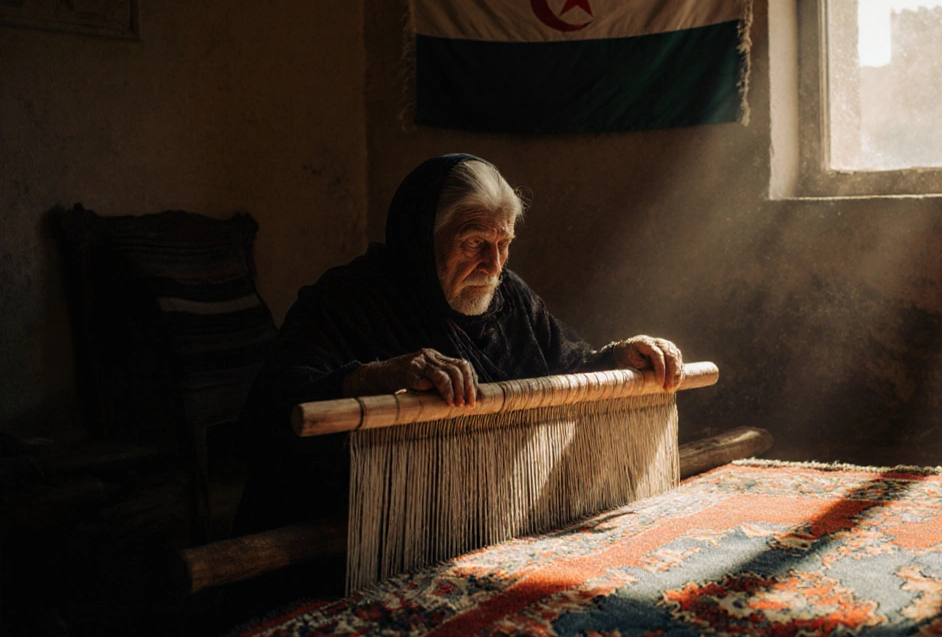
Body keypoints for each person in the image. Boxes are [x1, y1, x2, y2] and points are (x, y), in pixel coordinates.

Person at [234, 154, 683, 536]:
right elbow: (273, 407)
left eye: (504, 244)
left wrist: (622, 355)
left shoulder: (511, 300)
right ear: (420, 241)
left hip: (489, 522)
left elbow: (569, 365)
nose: (494, 265)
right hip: (361, 532)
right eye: (474, 243)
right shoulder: (349, 301)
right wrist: (375, 376)